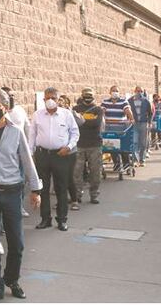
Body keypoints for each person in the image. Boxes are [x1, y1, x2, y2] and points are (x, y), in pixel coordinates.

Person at [0, 89, 42, 303]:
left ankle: (12, 279)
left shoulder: (16, 132)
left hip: (13, 191)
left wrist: (36, 189)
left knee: (17, 242)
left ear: (5, 108)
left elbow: (26, 159)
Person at [29, 87, 79, 231]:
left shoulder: (66, 115)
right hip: (42, 155)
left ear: (59, 99)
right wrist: (30, 154)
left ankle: (62, 220)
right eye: (47, 98)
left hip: (61, 155)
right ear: (43, 99)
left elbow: (75, 133)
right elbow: (32, 135)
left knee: (61, 188)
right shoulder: (38, 115)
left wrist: (69, 147)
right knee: (42, 188)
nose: (50, 100)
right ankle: (45, 219)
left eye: (53, 98)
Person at [72, 88, 105, 205]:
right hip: (79, 145)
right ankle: (77, 195)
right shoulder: (75, 109)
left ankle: (94, 194)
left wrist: (82, 121)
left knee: (95, 172)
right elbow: (75, 124)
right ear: (82, 96)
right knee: (77, 172)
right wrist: (88, 122)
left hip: (95, 145)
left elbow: (96, 124)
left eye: (90, 95)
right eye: (86, 95)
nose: (88, 97)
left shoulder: (98, 109)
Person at [102, 84, 134, 171]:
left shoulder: (123, 102)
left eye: (116, 91)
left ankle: (126, 164)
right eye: (113, 91)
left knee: (123, 147)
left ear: (119, 93)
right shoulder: (105, 102)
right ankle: (116, 164)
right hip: (109, 127)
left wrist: (131, 119)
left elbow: (127, 110)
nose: (115, 92)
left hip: (121, 128)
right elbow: (102, 111)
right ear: (110, 92)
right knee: (112, 146)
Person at [59, 95, 81, 209]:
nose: (59, 103)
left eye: (62, 101)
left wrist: (71, 112)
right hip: (57, 152)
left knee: (68, 176)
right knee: (59, 177)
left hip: (70, 151)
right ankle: (61, 201)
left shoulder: (70, 114)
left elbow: (81, 122)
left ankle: (74, 200)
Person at [128, 86, 153, 166]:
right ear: (134, 91)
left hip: (143, 123)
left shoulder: (146, 101)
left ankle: (142, 160)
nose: (139, 92)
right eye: (137, 91)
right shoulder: (130, 101)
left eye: (141, 91)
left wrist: (149, 122)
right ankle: (135, 160)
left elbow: (150, 113)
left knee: (143, 143)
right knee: (134, 142)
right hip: (134, 124)